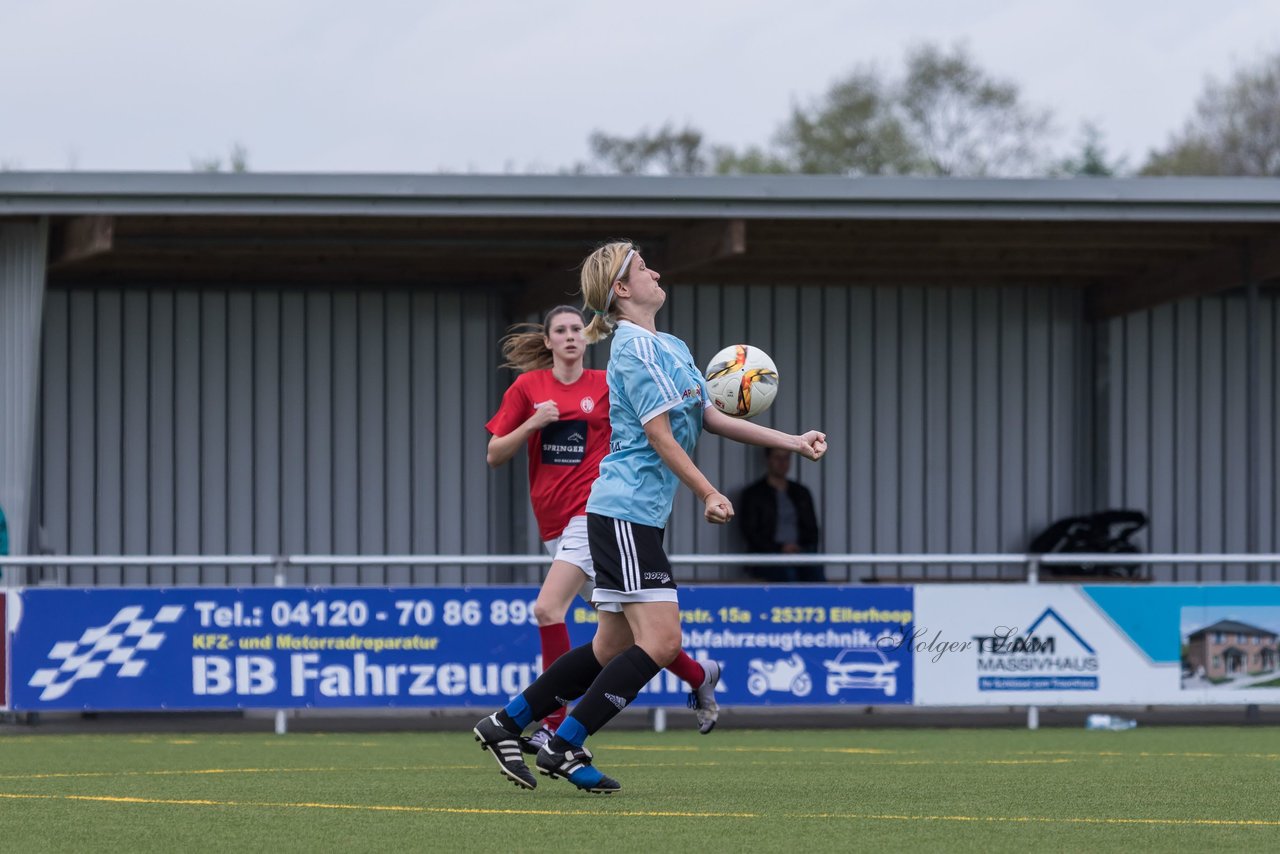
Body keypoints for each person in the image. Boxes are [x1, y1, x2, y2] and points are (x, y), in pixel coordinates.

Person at [473, 242, 827, 794]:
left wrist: (794, 440)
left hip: (636, 516)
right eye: (644, 267)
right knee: (662, 642)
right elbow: (660, 435)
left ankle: (508, 722)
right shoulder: (631, 351)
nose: (656, 271)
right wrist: (708, 491)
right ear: (620, 288)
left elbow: (707, 415)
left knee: (610, 647)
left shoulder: (671, 345)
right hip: (623, 512)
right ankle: (564, 745)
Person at [484, 305, 723, 756]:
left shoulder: (607, 382)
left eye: (577, 328)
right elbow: (495, 453)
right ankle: (698, 676)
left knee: (547, 609)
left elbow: (650, 428)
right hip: (556, 525)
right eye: (561, 330)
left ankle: (549, 726)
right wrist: (534, 422)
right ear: (549, 341)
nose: (572, 336)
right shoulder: (528, 388)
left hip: (594, 514)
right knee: (627, 637)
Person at [739, 447, 824, 582]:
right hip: (768, 556)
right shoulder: (754, 494)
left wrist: (800, 548)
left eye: (786, 458)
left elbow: (812, 529)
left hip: (801, 554)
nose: (782, 462)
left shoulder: (801, 492)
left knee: (816, 573)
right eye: (777, 458)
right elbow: (750, 532)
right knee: (787, 576)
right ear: (768, 460)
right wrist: (780, 548)